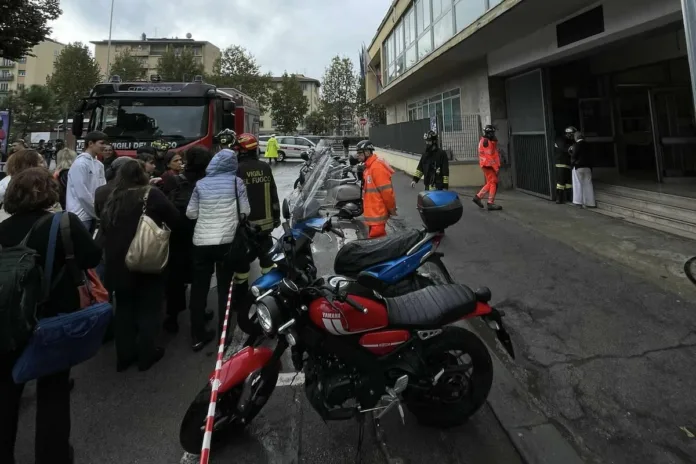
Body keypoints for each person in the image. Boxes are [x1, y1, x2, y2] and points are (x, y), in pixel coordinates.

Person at [0, 167, 102, 464]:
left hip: (8, 318)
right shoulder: (63, 222)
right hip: (54, 318)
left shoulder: (3, 228)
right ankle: (53, 455)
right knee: (54, 391)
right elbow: (93, 257)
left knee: (6, 391)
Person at [100, 161, 179, 372]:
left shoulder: (111, 196)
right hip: (145, 259)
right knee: (149, 308)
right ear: (141, 174)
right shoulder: (150, 194)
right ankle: (146, 355)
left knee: (124, 309)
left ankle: (124, 357)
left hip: (117, 262)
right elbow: (174, 218)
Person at [187, 131, 251, 351]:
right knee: (225, 286)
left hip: (201, 243)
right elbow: (246, 211)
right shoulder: (237, 183)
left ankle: (197, 334)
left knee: (199, 288)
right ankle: (225, 333)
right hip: (227, 242)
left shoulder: (200, 184)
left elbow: (191, 214)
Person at [160, 146, 213, 334]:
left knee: (176, 279)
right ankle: (198, 320)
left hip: (177, 237)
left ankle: (172, 318)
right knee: (200, 282)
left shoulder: (175, 180)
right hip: (201, 238)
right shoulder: (208, 182)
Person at [233, 133, 280, 333]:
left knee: (242, 266)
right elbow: (273, 193)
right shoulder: (265, 167)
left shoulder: (237, 170)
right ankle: (269, 294)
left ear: (241, 150)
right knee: (267, 262)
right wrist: (276, 216)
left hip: (245, 227)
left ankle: (241, 299)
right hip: (265, 226)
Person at [66, 131, 107, 232]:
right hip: (80, 216)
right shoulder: (80, 164)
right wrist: (96, 211)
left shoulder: (99, 165)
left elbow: (103, 189)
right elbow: (82, 193)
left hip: (94, 215)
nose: (104, 146)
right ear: (90, 143)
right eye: (101, 143)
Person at [357, 140, 396, 238]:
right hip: (373, 216)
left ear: (368, 152)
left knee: (378, 244)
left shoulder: (377, 167)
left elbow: (386, 192)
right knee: (375, 244)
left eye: (360, 153)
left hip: (377, 215)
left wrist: (391, 209)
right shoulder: (369, 167)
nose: (358, 155)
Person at [473, 124, 503, 211]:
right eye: (492, 133)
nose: (494, 134)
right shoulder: (486, 142)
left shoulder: (486, 140)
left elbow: (493, 152)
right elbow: (489, 156)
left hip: (487, 164)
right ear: (489, 133)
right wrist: (496, 168)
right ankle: (490, 203)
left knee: (490, 182)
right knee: (493, 182)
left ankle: (478, 197)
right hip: (488, 165)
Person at [570, 130, 596, 208]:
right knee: (588, 184)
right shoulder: (589, 145)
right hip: (588, 167)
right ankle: (590, 203)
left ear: (576, 137)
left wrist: (572, 161)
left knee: (578, 184)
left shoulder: (576, 145)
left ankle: (578, 202)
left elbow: (573, 156)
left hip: (578, 167)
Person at [554, 127, 575, 204]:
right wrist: (571, 147)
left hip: (567, 163)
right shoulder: (560, 139)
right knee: (560, 182)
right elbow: (564, 148)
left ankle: (570, 198)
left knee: (568, 182)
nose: (572, 136)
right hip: (561, 163)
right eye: (572, 134)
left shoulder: (569, 140)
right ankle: (559, 199)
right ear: (568, 133)